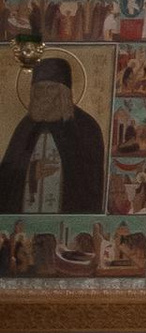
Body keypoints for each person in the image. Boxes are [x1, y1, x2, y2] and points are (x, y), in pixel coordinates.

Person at [0, 59, 108, 217]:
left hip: (66, 218)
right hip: (24, 220)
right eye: (39, 89)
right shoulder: (26, 127)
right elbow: (6, 178)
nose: (43, 95)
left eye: (50, 88)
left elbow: (90, 180)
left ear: (63, 92)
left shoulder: (86, 127)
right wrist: (30, 172)